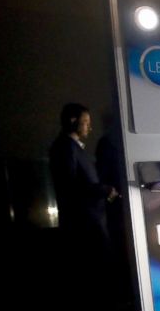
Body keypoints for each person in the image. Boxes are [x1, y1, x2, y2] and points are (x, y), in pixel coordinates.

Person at [48, 103, 118, 254]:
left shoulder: (73, 148)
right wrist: (104, 190)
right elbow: (71, 185)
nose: (89, 127)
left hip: (90, 221)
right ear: (73, 120)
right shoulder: (65, 148)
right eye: (86, 122)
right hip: (84, 223)